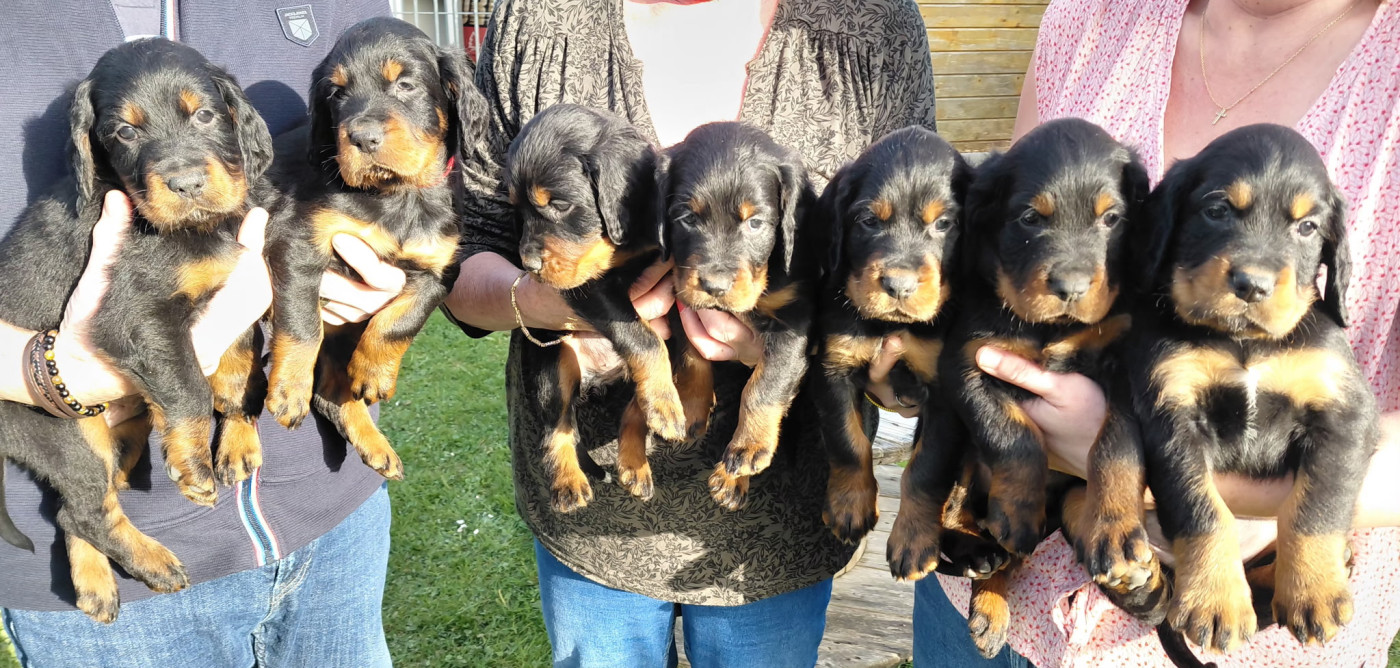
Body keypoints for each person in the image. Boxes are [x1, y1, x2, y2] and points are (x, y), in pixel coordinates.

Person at [443, 0, 936, 665]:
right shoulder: (536, 17)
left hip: (778, 526)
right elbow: (467, 250)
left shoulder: (870, 22)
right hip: (593, 519)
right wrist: (548, 301)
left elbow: (906, 277)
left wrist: (784, 348)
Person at [913, 0, 1400, 665]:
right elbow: (1000, 263)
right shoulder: (1090, 16)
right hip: (995, 592)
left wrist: (1142, 464)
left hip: (1258, 639)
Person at [0, 3, 414, 666]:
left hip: (331, 519)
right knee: (88, 466)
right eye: (127, 134)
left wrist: (378, 264)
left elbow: (362, 163)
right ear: (94, 148)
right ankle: (89, 536)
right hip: (125, 603)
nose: (185, 171)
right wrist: (39, 369)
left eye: (203, 116)